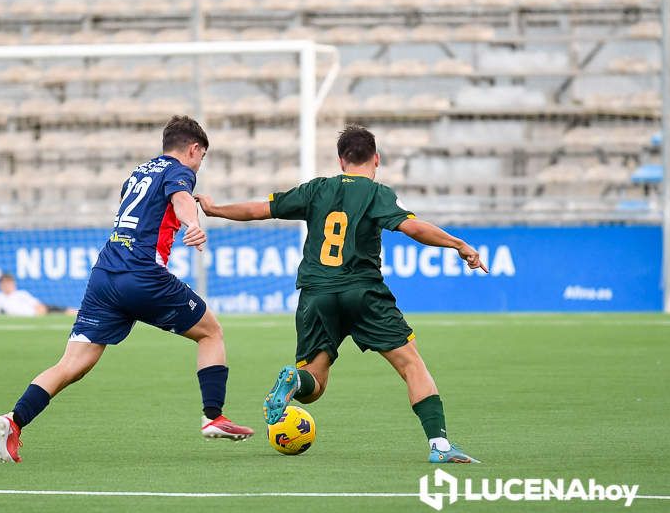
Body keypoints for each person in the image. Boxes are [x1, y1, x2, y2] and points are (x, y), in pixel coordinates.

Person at [195, 125, 488, 464]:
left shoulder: (317, 189)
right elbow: (413, 227)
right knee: (411, 363)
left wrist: (215, 210)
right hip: (362, 292)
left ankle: (294, 381)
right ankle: (439, 446)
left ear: (341, 159)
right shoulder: (378, 193)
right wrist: (458, 244)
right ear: (376, 159)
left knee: (314, 386)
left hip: (316, 294)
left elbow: (261, 209)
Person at [0, 115, 254, 463]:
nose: (198, 166)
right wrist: (193, 223)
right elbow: (180, 197)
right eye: (201, 158)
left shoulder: (137, 173)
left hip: (105, 276)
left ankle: (15, 420)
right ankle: (213, 416)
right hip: (142, 275)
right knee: (211, 333)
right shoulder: (180, 172)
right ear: (193, 149)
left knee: (72, 364)